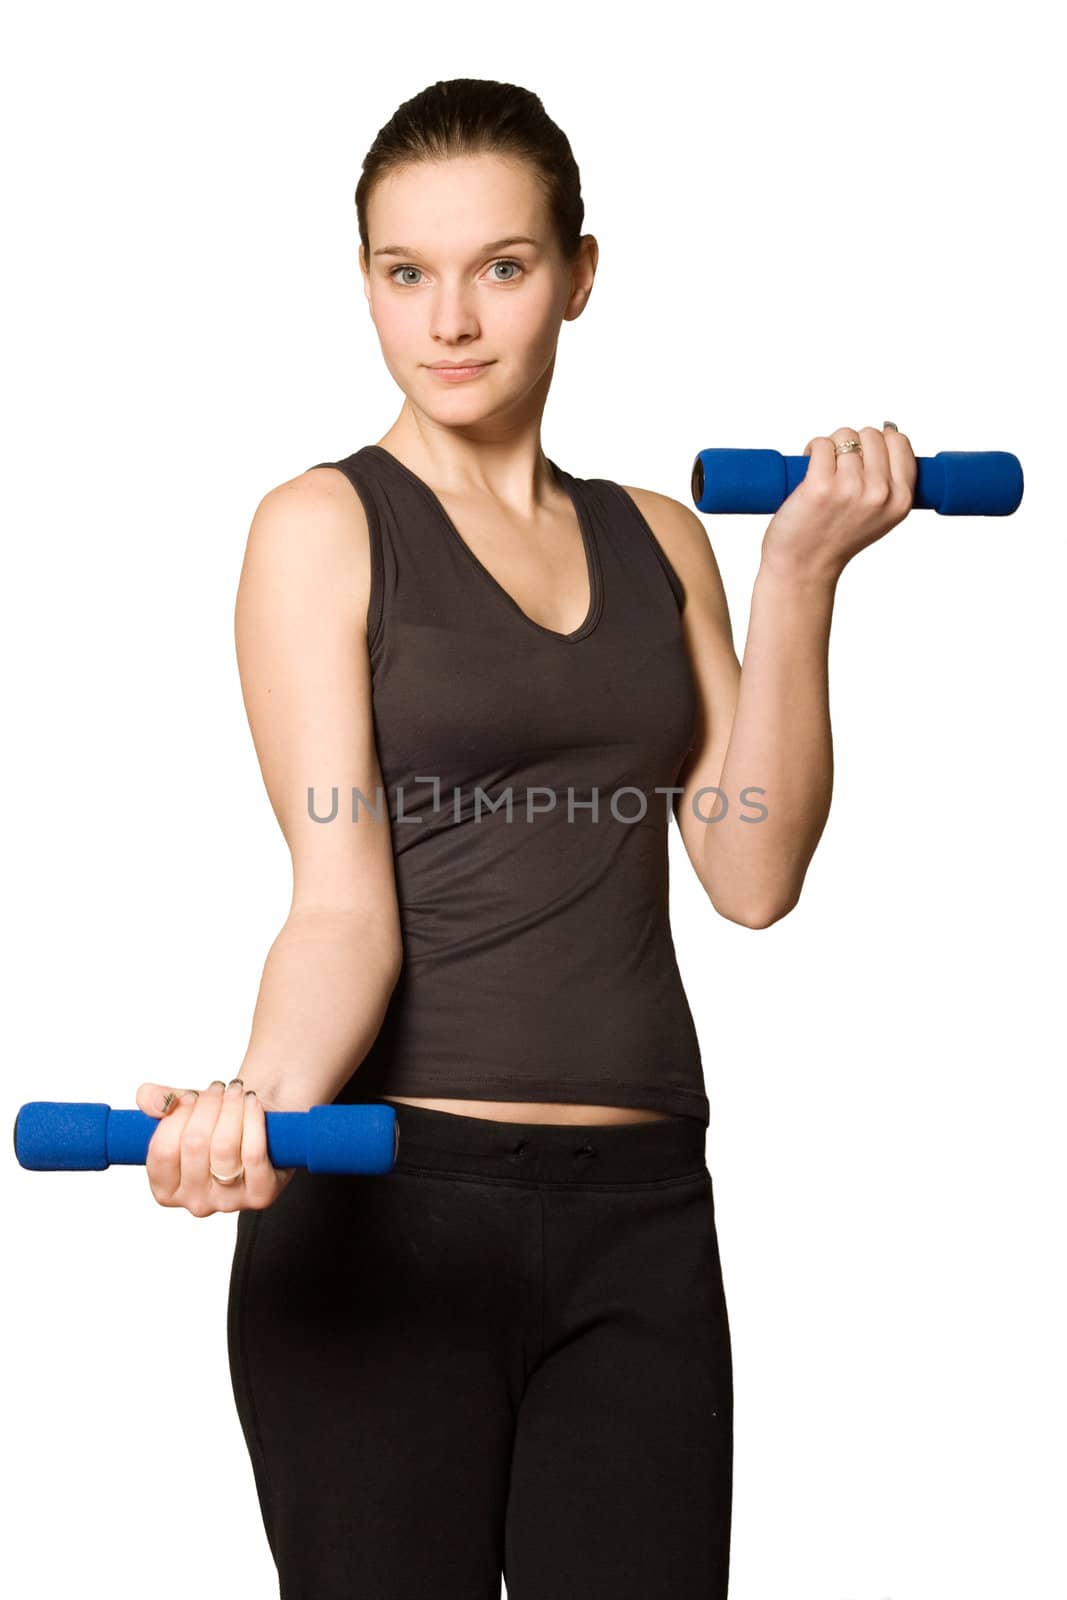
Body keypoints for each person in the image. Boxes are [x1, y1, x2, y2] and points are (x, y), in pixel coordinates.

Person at [135, 77, 916, 1599]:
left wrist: (801, 577)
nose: (450, 322)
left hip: (640, 1218)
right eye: (403, 273)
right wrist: (254, 1110)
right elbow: (342, 901)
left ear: (578, 274)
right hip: (387, 1214)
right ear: (362, 280)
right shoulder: (321, 526)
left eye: (501, 266)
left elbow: (750, 870)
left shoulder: (659, 535)